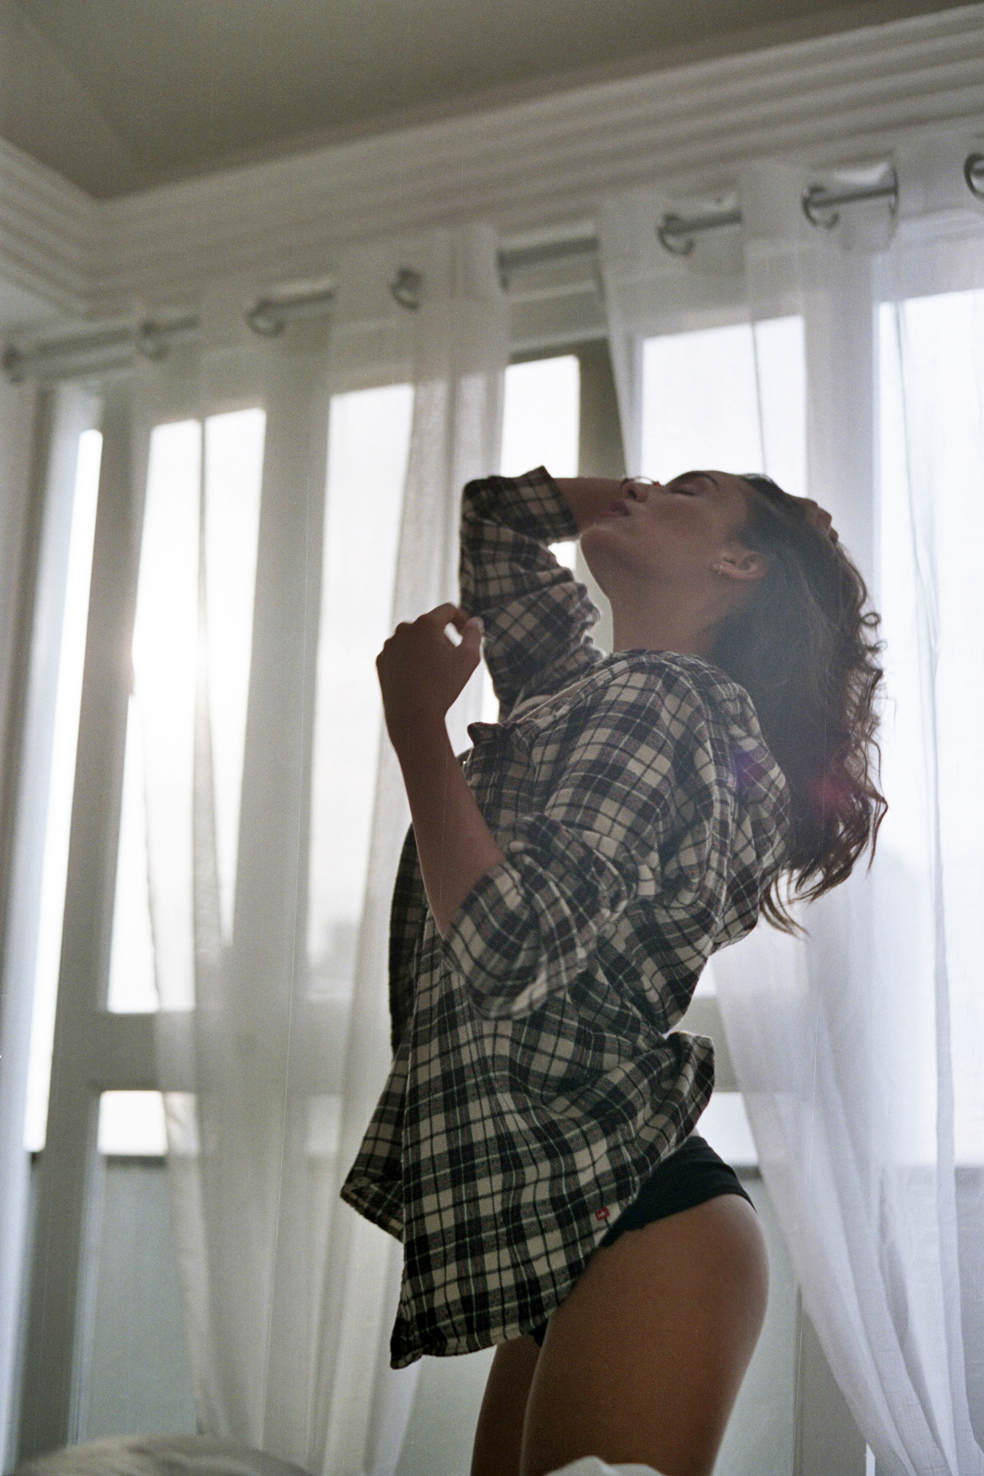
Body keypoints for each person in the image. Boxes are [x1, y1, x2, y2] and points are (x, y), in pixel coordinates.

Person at [341, 466, 885, 1476]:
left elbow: (510, 944)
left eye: (686, 489)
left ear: (740, 563)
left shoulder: (666, 701)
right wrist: (654, 502)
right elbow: (498, 518)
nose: (642, 492)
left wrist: (417, 723)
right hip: (579, 1208)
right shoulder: (579, 697)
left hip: (642, 1217)